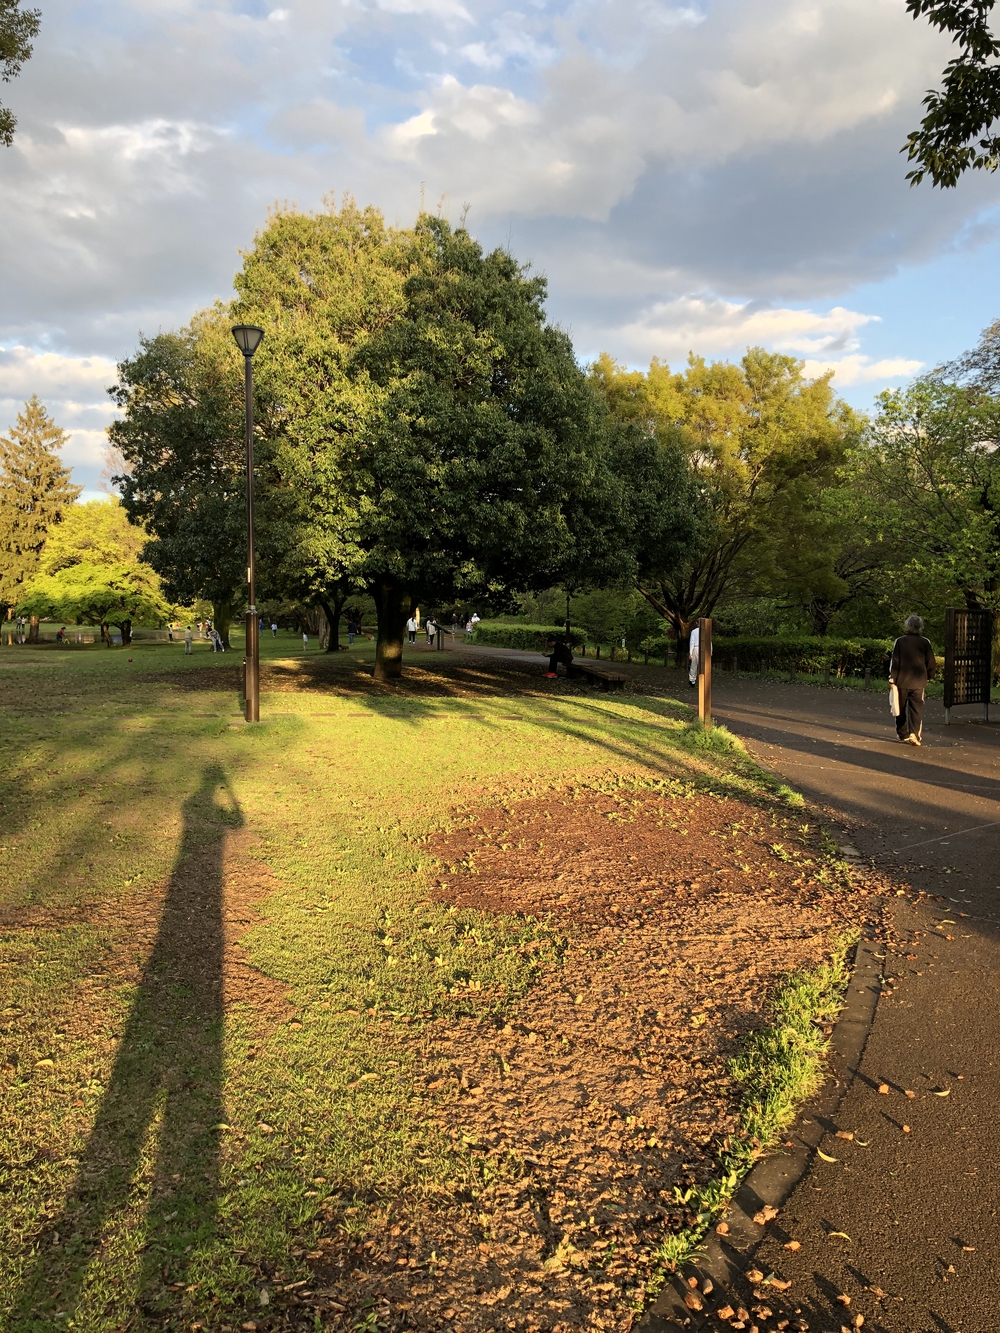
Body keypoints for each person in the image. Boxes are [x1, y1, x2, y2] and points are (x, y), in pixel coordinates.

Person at [890, 614, 936, 746]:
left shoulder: (900, 641)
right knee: (916, 709)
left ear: (907, 626)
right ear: (920, 627)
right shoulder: (925, 642)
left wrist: (892, 678)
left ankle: (902, 733)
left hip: (902, 680)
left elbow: (895, 661)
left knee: (900, 707)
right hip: (919, 681)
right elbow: (931, 661)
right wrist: (929, 676)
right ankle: (914, 733)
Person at [688, 623, 700, 689]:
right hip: (704, 648)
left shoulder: (694, 631)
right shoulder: (706, 631)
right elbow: (709, 641)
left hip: (696, 648)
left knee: (694, 665)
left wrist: (691, 652)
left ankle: (692, 679)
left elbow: (692, 642)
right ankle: (702, 679)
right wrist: (710, 650)